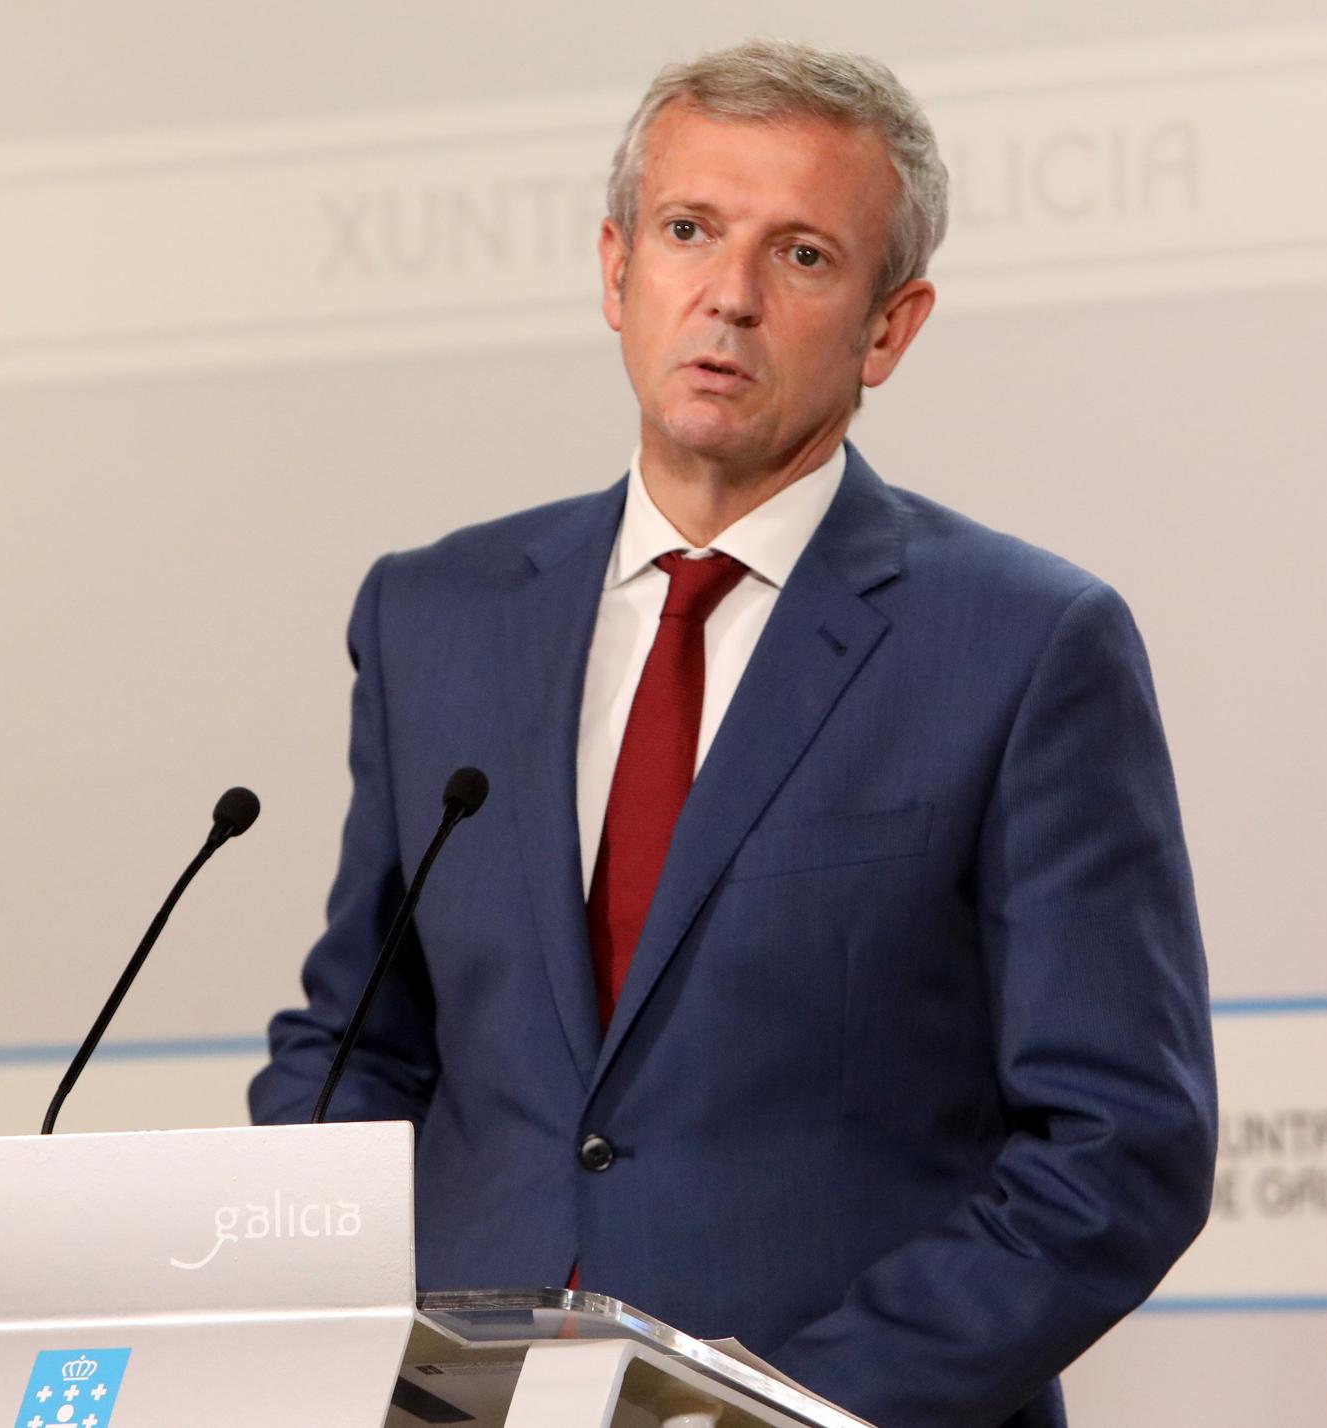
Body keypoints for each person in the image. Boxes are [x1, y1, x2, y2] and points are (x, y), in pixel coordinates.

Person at [251, 38, 1215, 1428]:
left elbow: (1124, 1145)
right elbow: (353, 1050)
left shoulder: (1023, 646)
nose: (731, 297)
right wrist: (347, 1335)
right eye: (690, 231)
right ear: (614, 269)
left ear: (891, 327)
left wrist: (778, 1406)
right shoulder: (435, 617)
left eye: (806, 256)